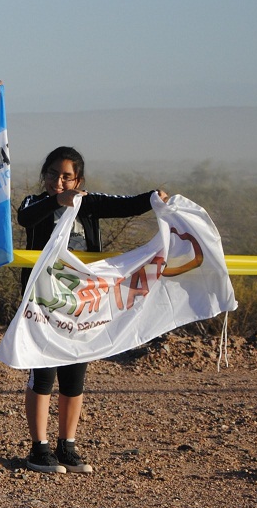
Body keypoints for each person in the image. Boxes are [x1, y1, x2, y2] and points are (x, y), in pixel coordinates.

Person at [16, 146, 168, 474]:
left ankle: (67, 446)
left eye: (66, 176)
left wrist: (154, 197)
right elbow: (24, 217)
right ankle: (39, 449)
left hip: (83, 305)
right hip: (43, 305)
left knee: (74, 376)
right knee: (43, 375)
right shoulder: (34, 202)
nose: (59, 181)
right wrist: (58, 200)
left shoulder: (88, 203)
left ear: (79, 180)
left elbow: (126, 205)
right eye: (53, 174)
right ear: (44, 175)